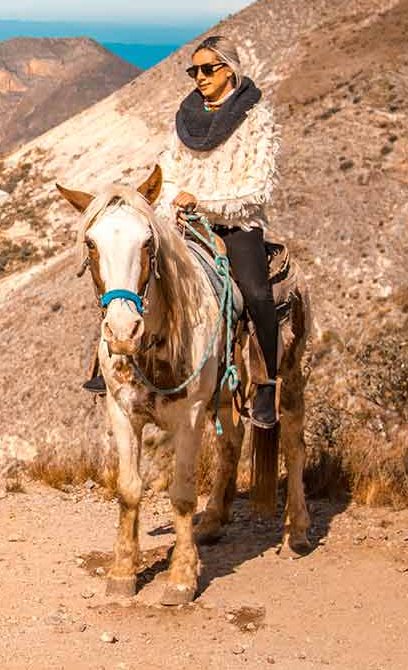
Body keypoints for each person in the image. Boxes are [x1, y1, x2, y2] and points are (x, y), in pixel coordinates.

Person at [83, 35, 280, 429]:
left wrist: (202, 202)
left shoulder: (257, 118)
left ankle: (266, 385)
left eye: (208, 69)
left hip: (236, 224)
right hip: (182, 221)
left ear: (230, 70)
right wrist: (172, 200)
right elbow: (168, 170)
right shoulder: (187, 116)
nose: (200, 77)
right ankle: (109, 360)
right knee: (131, 270)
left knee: (257, 295)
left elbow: (259, 186)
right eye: (194, 70)